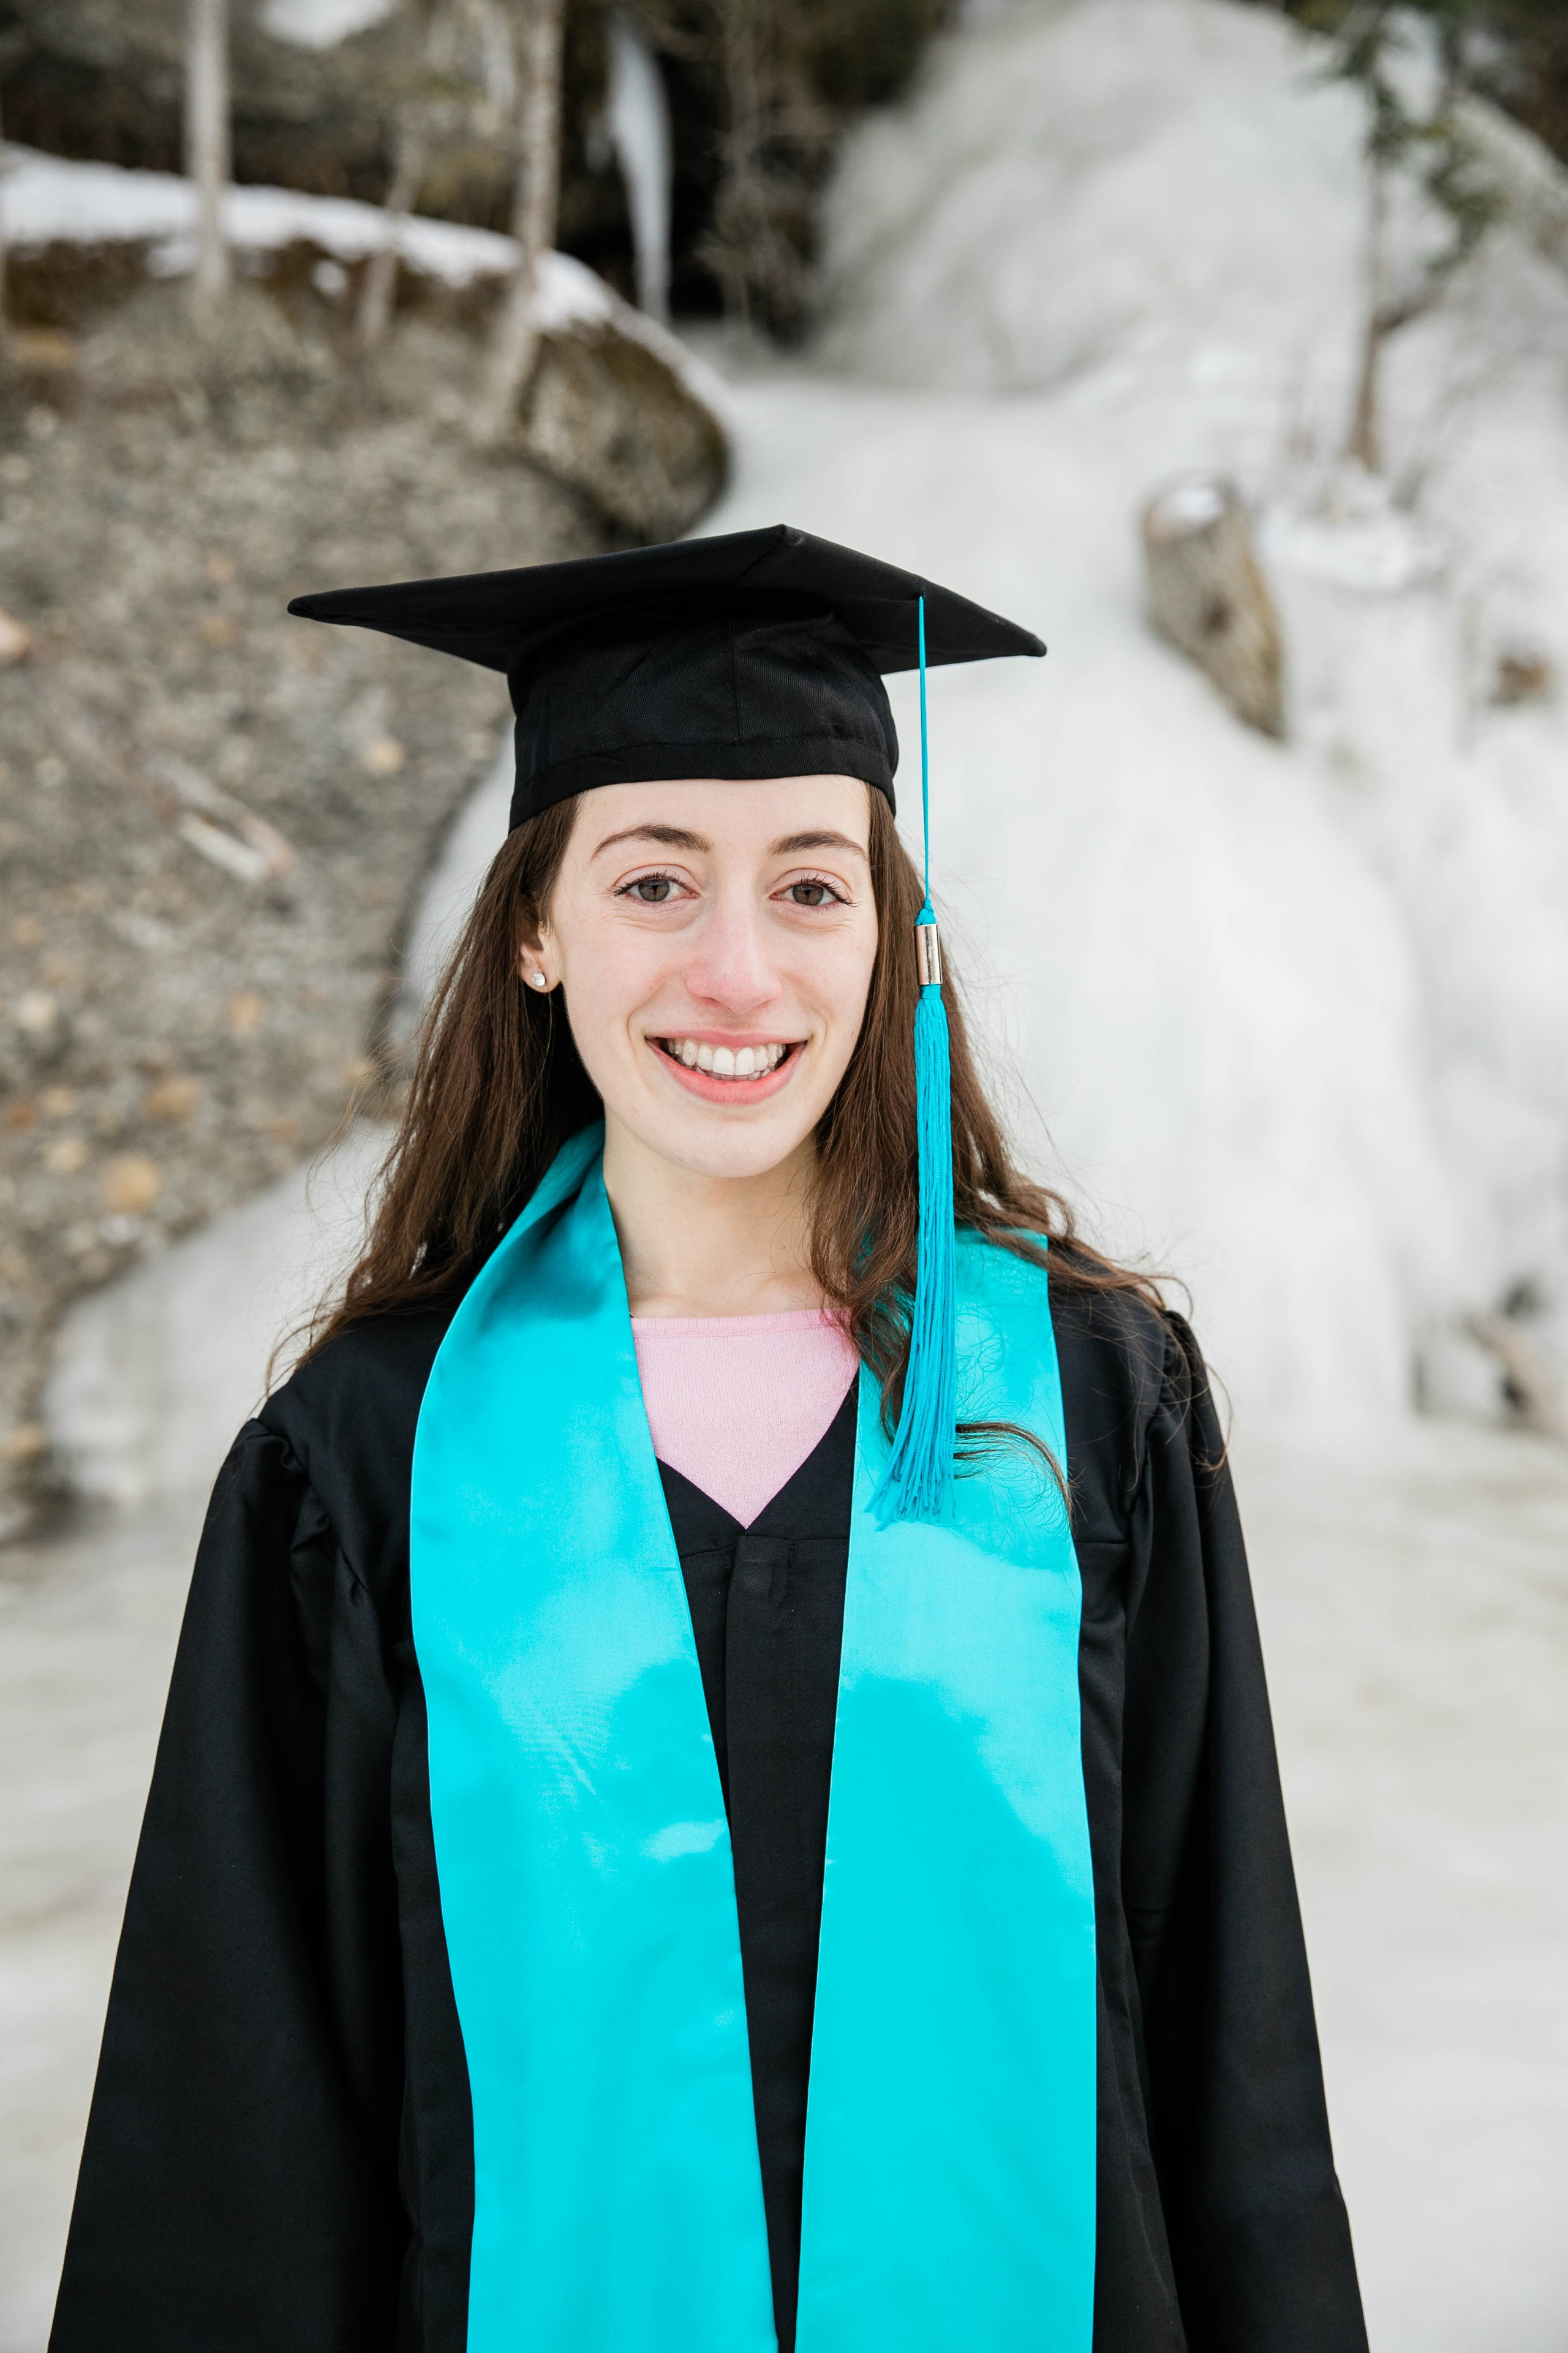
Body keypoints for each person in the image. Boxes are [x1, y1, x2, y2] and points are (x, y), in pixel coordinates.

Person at [50, 526, 1367, 2353]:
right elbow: (238, 2141)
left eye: (810, 887)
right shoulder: (362, 1457)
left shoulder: (1084, 1401)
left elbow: (1235, 2074)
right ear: (535, 923)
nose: (738, 970)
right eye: (656, 881)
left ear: (897, 937)